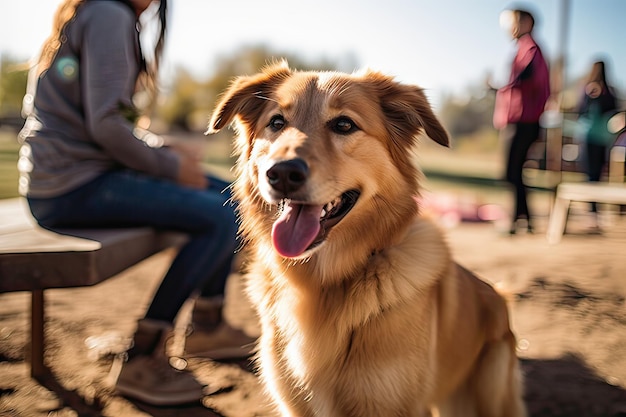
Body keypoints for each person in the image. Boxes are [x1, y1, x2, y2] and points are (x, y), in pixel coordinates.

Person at [17, 0, 254, 406]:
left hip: (76, 178)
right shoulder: (110, 13)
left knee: (227, 196)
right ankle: (141, 357)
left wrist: (167, 150)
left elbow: (107, 124)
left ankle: (209, 326)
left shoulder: (103, 13)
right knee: (220, 214)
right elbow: (105, 125)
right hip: (72, 187)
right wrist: (169, 166)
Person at [493, 8, 551, 234]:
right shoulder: (523, 49)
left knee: (511, 171)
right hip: (518, 120)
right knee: (514, 171)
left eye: (514, 21)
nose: (510, 27)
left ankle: (517, 221)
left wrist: (503, 86)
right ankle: (525, 219)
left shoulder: (531, 49)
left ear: (526, 22)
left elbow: (528, 79)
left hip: (524, 120)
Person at [575, 60, 618, 229]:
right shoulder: (591, 89)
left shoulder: (606, 92)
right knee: (593, 175)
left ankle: (594, 213)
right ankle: (592, 213)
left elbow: (582, 111)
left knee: (594, 175)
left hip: (595, 137)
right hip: (597, 137)